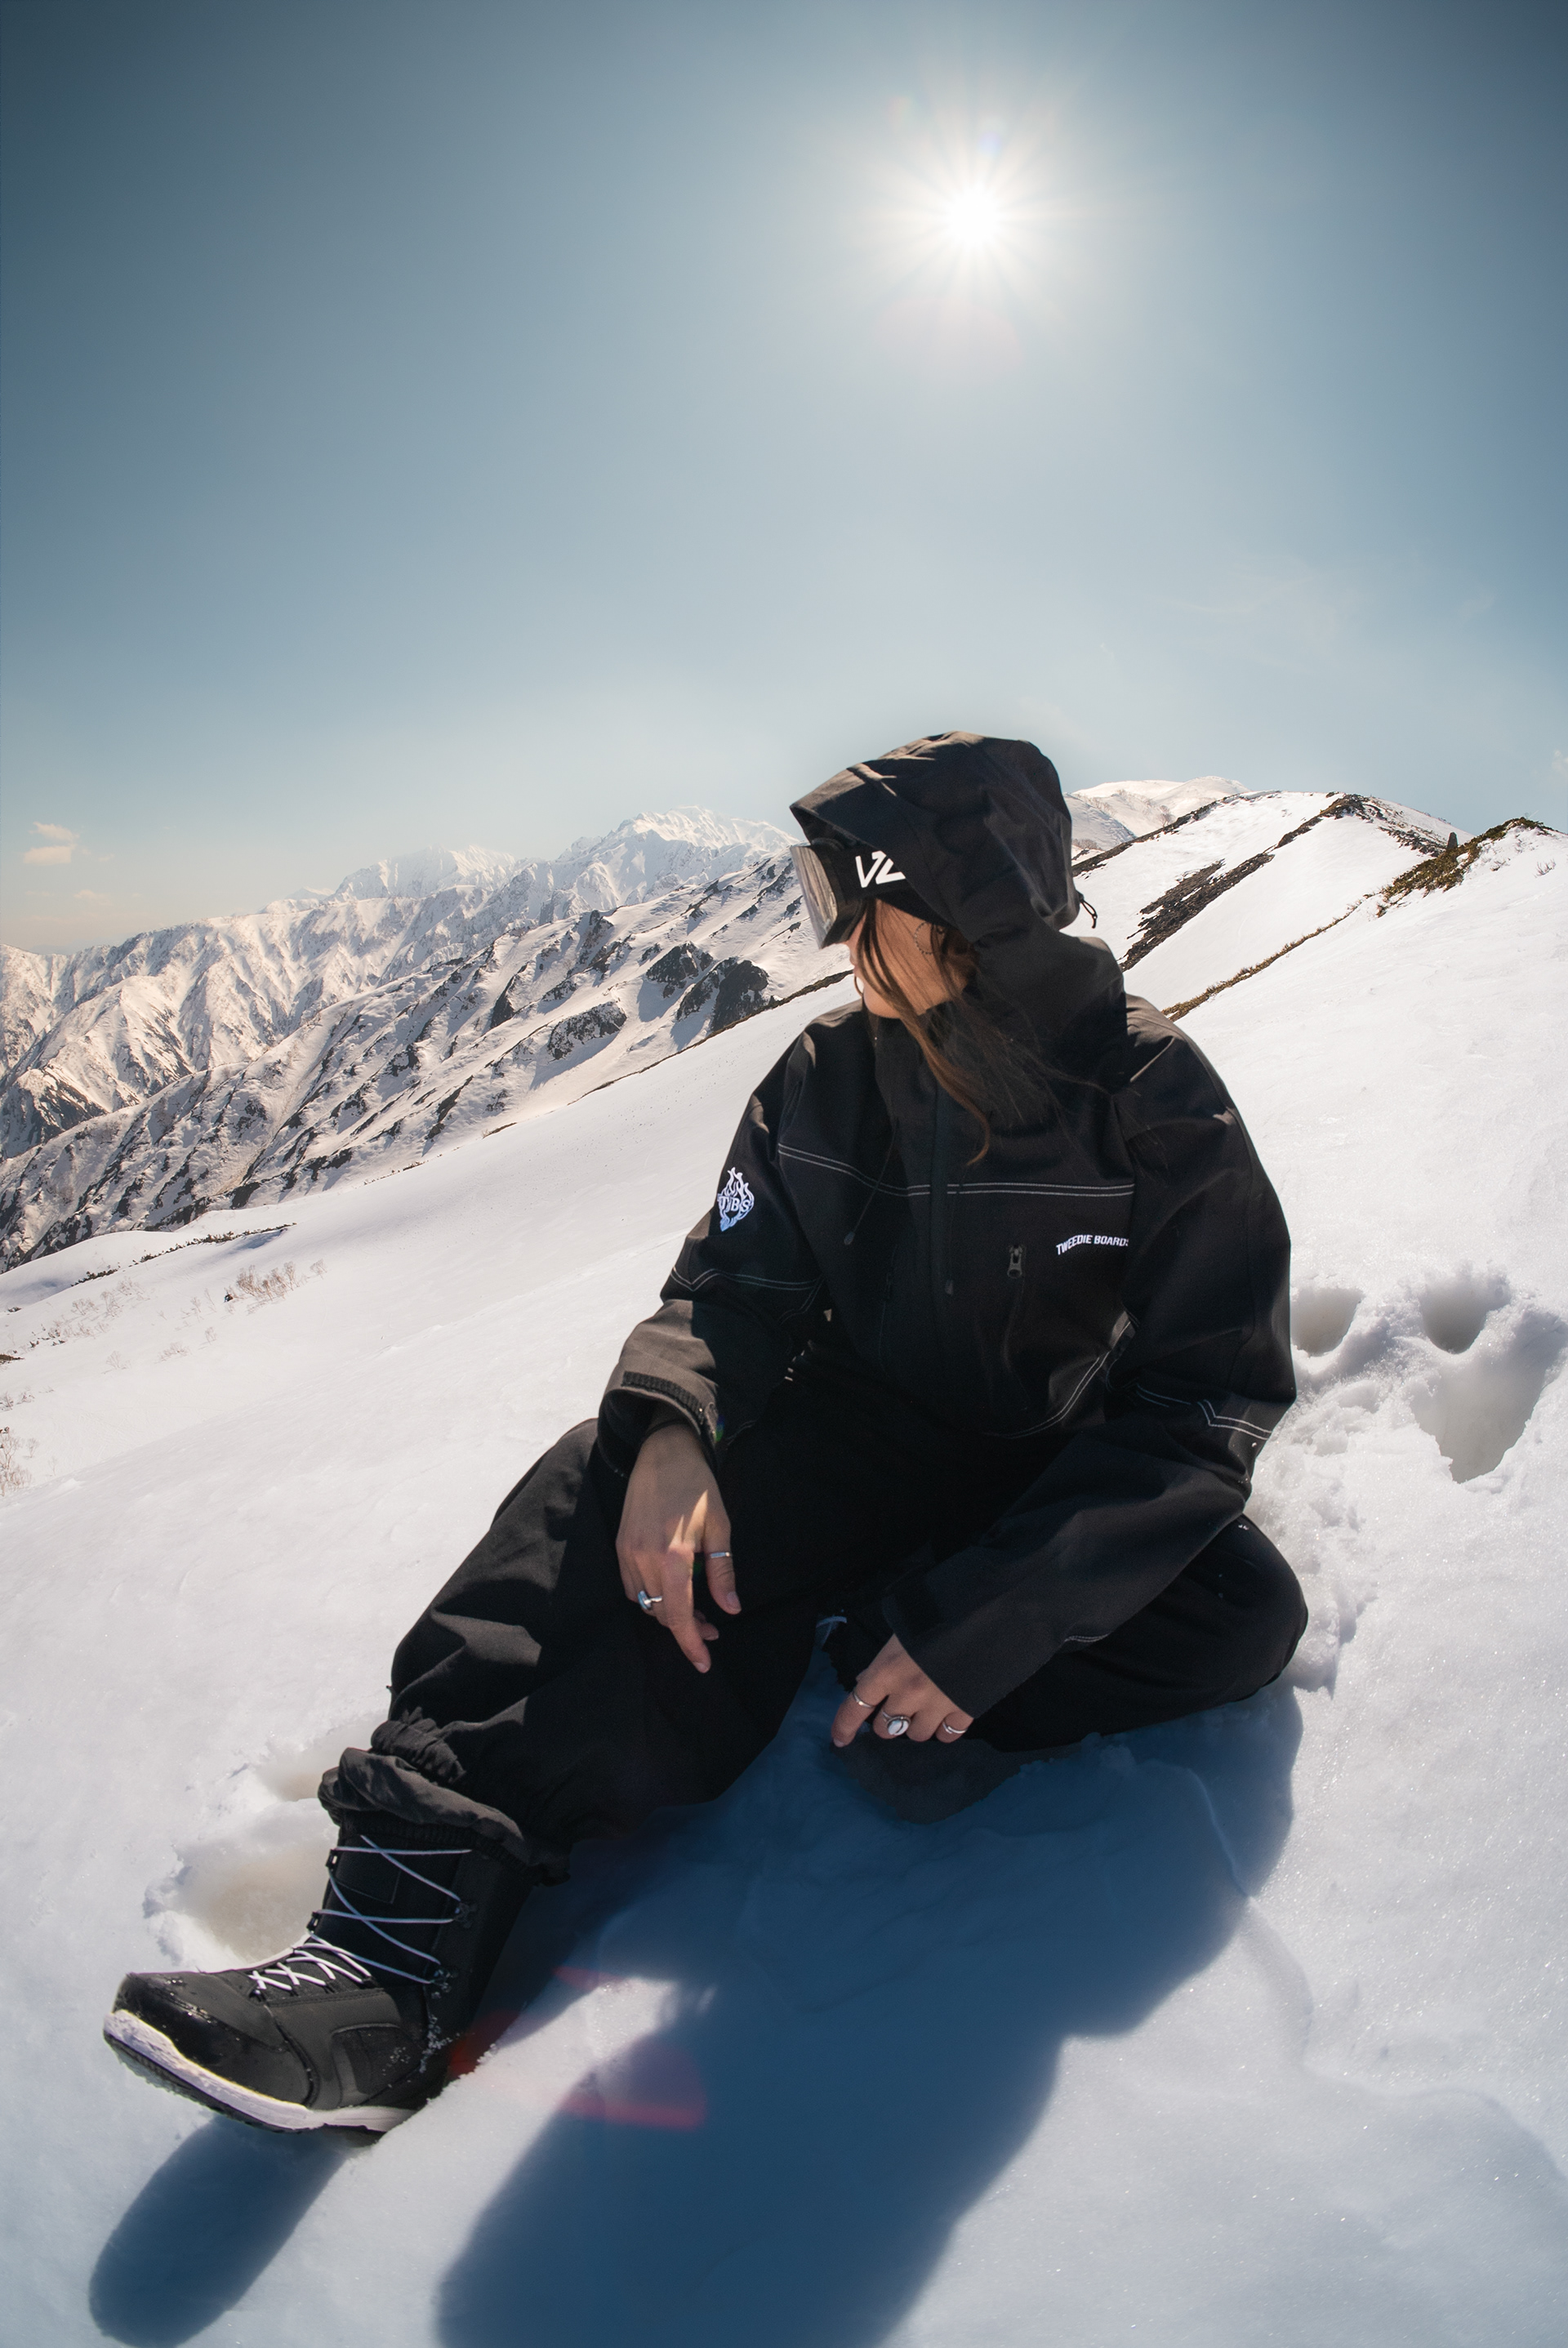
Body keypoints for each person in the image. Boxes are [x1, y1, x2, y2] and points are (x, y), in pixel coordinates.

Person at [105, 731, 1306, 2135]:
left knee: (1238, 1617)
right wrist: (674, 1428)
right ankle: (385, 1963)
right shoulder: (828, 1073)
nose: (832, 938)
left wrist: (995, 1620)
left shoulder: (1151, 1096)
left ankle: (892, 1650)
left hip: (1045, 1460)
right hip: (851, 1432)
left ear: (955, 911)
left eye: (849, 900)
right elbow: (731, 1288)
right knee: (598, 1487)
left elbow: (1207, 1401)